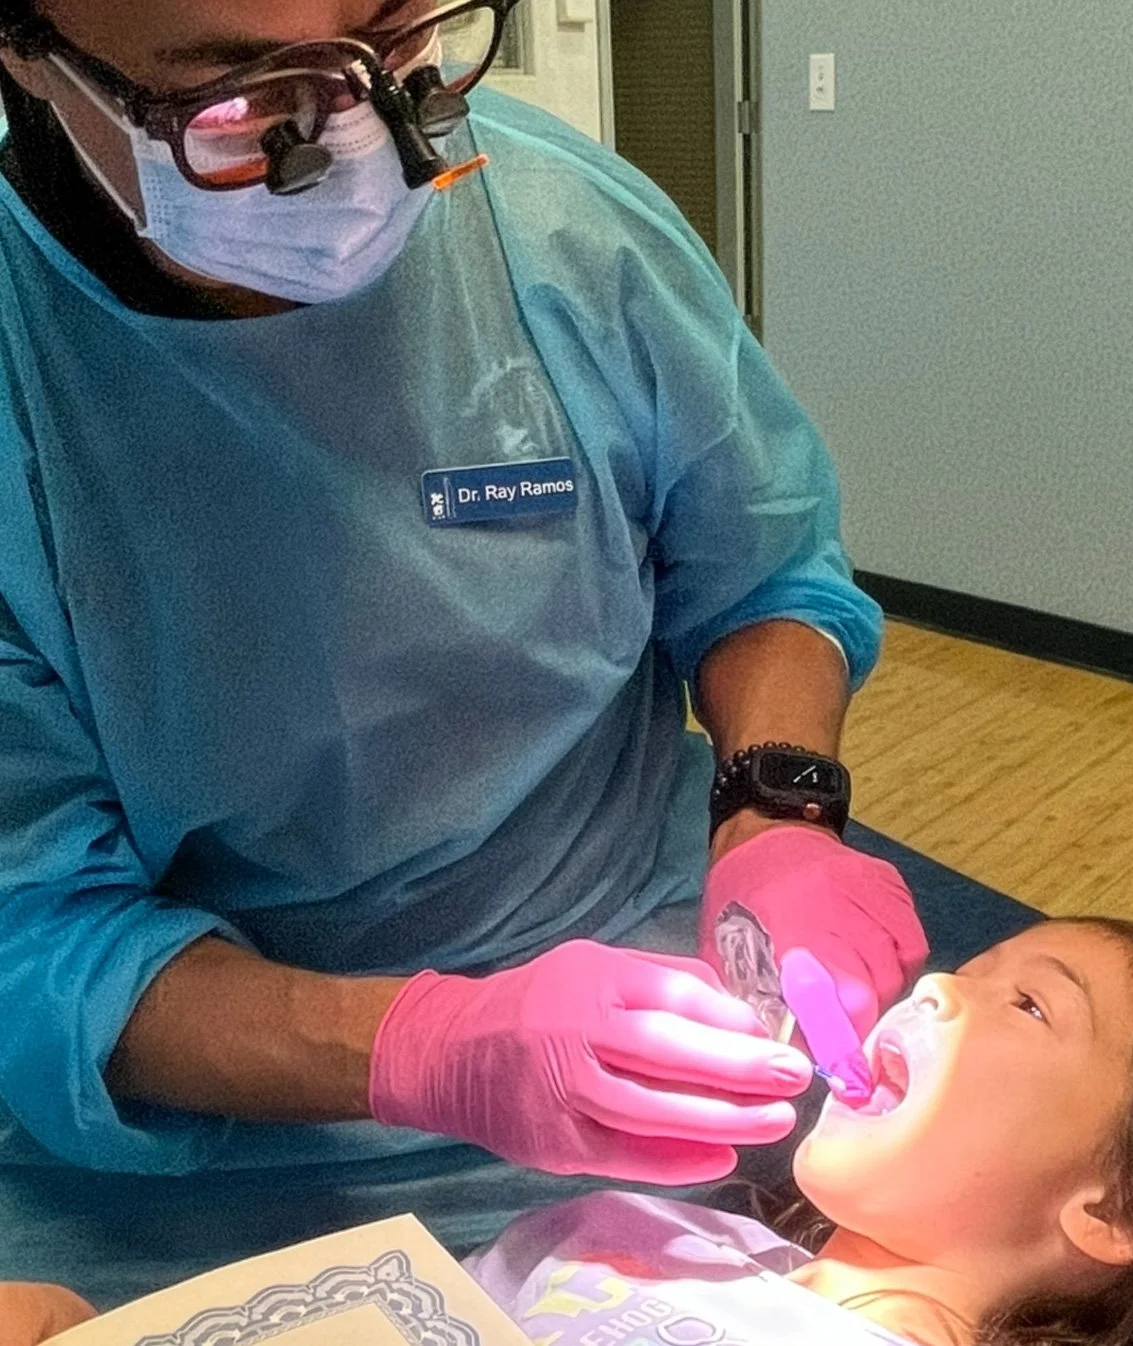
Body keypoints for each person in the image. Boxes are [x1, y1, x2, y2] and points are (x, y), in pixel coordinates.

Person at [0, 0, 927, 1223]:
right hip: (228, 1145)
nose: (367, 140)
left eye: (397, 42)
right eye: (250, 102)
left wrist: (773, 809)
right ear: (29, 54)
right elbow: (46, 945)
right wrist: (428, 1046)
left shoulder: (567, 231)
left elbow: (760, 565)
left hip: (649, 969)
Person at [8, 918, 1133, 1346]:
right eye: (968, 961)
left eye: (1026, 1002)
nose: (934, 982)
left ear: (1114, 1208)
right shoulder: (725, 1254)